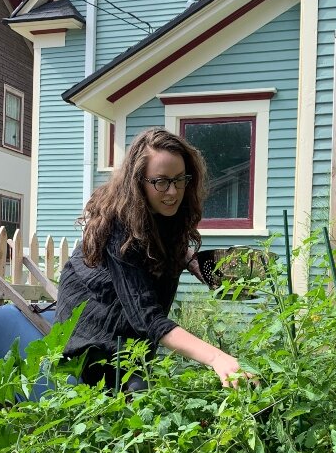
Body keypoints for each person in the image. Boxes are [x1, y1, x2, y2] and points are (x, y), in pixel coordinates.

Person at [55, 127, 249, 391]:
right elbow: (147, 318)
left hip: (131, 336)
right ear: (137, 182)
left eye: (180, 179)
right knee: (141, 393)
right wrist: (216, 357)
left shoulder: (164, 213)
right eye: (161, 182)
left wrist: (190, 260)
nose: (173, 192)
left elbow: (160, 245)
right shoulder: (118, 229)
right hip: (91, 335)